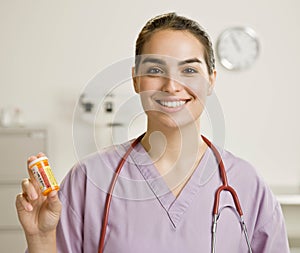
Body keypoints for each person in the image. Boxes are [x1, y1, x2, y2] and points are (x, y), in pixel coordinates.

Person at [16, 13, 290, 252]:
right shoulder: (89, 180)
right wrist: (40, 240)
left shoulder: (247, 185)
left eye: (189, 69)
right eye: (156, 69)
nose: (172, 85)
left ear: (211, 81)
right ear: (136, 79)